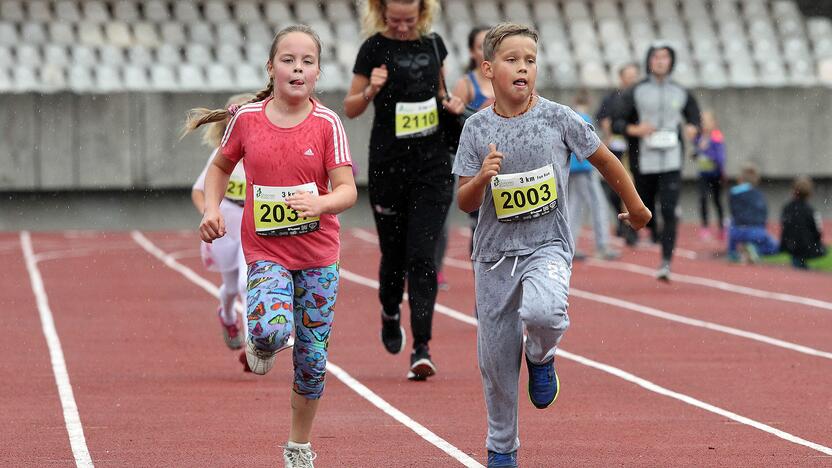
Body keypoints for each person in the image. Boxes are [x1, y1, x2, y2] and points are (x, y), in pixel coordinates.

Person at [453, 23, 651, 468]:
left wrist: (634, 206)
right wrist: (483, 177)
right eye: (512, 60)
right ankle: (502, 449)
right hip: (493, 258)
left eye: (530, 60)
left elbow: (605, 159)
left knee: (544, 312)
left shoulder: (559, 118)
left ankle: (541, 355)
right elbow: (464, 200)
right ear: (488, 69)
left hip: (548, 245)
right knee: (496, 362)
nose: (523, 67)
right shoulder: (475, 129)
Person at [184, 25, 357, 467]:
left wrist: (319, 203)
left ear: (317, 73)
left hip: (319, 256)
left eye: (307, 62)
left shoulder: (328, 124)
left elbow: (347, 190)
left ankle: (298, 445)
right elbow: (220, 168)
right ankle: (260, 339)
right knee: (270, 328)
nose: (297, 68)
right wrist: (212, 210)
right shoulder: (247, 119)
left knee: (313, 359)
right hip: (267, 251)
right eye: (288, 60)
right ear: (271, 67)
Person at [343, 0, 465, 381]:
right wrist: (370, 92)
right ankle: (390, 310)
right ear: (381, 13)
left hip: (431, 165)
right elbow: (350, 107)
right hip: (388, 166)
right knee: (393, 256)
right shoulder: (373, 48)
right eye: (393, 19)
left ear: (422, 13)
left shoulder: (433, 45)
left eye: (408, 20)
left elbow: (442, 95)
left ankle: (422, 347)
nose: (400, 26)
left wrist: (453, 104)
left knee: (422, 257)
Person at [613, 42, 701, 281]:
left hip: (671, 160)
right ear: (649, 61)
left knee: (670, 210)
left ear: (671, 61)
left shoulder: (681, 92)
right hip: (644, 160)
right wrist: (636, 129)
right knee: (646, 209)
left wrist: (694, 128)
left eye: (665, 57)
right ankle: (649, 232)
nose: (660, 61)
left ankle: (665, 262)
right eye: (656, 57)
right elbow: (616, 122)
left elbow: (695, 117)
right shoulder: (636, 91)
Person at [190, 93, 254, 352]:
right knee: (230, 286)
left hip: (251, 223)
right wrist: (209, 213)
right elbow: (199, 191)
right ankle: (227, 316)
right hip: (225, 223)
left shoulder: (264, 152)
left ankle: (253, 348)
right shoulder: (222, 154)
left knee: (245, 283)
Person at [448, 25, 494, 258]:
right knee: (481, 226)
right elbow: (453, 127)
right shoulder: (466, 84)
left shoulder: (516, 80)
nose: (486, 51)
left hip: (511, 163)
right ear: (471, 52)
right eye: (480, 46)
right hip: (477, 165)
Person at [568, 89, 619, 260]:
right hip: (585, 167)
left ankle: (570, 245)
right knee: (598, 205)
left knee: (574, 207)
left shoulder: (570, 116)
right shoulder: (585, 119)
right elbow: (592, 146)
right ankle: (602, 245)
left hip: (573, 169)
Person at [595, 62, 640, 246]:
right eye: (628, 76)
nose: (632, 79)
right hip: (615, 148)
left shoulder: (640, 98)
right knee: (615, 190)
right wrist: (607, 128)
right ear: (621, 78)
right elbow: (601, 117)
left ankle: (631, 228)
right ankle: (623, 221)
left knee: (633, 186)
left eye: (634, 76)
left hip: (635, 148)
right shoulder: (612, 98)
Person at [726, 163, 778, 263]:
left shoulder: (733, 193)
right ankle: (755, 249)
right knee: (775, 246)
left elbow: (733, 212)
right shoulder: (759, 195)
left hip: (738, 231)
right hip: (756, 231)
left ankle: (733, 252)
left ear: (740, 178)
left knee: (731, 222)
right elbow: (763, 215)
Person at [693, 110, 726, 241]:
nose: (704, 124)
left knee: (717, 201)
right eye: (702, 121)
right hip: (703, 174)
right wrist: (697, 151)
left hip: (715, 174)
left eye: (707, 121)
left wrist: (707, 150)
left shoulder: (716, 136)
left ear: (714, 123)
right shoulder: (699, 137)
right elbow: (695, 151)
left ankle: (722, 227)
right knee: (702, 199)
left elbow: (720, 155)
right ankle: (704, 228)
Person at [780, 176, 826, 269]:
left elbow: (784, 226)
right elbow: (818, 231)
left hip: (790, 244)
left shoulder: (787, 208)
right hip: (807, 245)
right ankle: (801, 266)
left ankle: (799, 264)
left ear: (793, 191)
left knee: (797, 256)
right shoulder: (811, 210)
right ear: (810, 193)